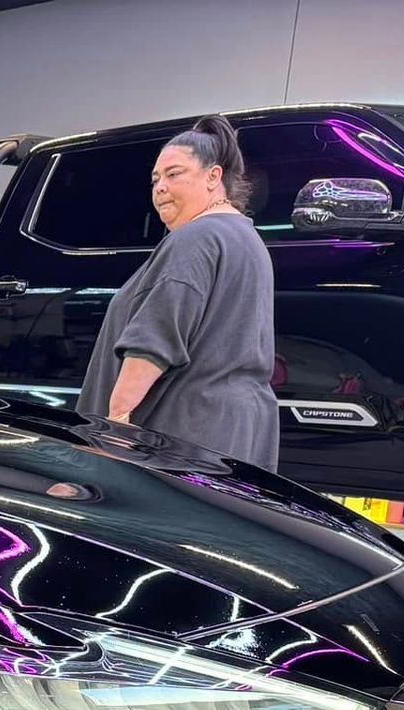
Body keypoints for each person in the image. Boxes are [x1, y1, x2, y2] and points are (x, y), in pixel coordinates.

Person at [78, 114, 279, 470]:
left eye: (175, 174)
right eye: (155, 179)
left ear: (213, 177)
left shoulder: (195, 238)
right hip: (241, 437)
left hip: (182, 440)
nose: (160, 187)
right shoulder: (249, 241)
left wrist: (113, 428)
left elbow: (154, 341)